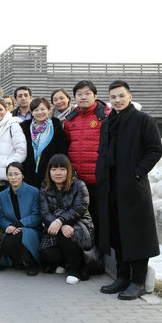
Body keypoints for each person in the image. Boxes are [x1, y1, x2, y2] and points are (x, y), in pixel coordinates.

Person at [96, 80, 162, 300]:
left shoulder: (143, 120)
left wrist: (137, 172)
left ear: (129, 96)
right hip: (111, 188)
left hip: (133, 187)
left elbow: (154, 150)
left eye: (121, 96)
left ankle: (137, 282)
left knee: (137, 235)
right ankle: (123, 277)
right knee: (117, 233)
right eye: (113, 97)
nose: (117, 100)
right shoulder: (107, 123)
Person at [64, 80, 110, 247]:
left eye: (87, 93)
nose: (83, 97)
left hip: (99, 180)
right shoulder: (70, 120)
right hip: (77, 182)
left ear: (95, 96)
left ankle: (101, 257)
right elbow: (68, 144)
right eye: (79, 94)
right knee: (79, 222)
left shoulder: (105, 116)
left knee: (100, 220)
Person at [39, 154, 93, 284]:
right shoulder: (45, 186)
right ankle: (65, 263)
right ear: (49, 171)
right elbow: (44, 212)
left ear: (68, 170)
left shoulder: (79, 185)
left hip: (80, 226)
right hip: (58, 225)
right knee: (47, 253)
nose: (58, 173)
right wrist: (60, 223)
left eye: (62, 169)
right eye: (54, 169)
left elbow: (79, 209)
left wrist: (60, 221)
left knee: (67, 233)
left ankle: (75, 270)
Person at [0, 162, 41, 276]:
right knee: (8, 243)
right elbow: (1, 217)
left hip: (31, 229)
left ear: (23, 175)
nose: (13, 177)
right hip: (12, 230)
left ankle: (30, 263)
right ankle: (18, 260)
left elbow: (37, 216)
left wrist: (19, 224)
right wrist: (8, 226)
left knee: (22, 236)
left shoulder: (34, 192)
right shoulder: (2, 195)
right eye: (10, 174)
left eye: (16, 174)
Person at [20, 97, 67, 188]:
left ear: (48, 110)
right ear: (32, 112)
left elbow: (62, 149)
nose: (40, 112)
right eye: (36, 110)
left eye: (42, 109)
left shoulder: (55, 125)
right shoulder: (24, 126)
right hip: (29, 170)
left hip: (50, 170)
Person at [0, 98, 27, 196]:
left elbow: (21, 152)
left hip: (8, 178)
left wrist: (6, 165)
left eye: (0, 109)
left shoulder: (13, 125)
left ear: (6, 109)